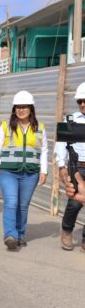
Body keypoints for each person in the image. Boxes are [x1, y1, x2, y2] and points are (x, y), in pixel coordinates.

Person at [0, 90, 47, 251]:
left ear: (31, 108)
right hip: (8, 172)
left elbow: (44, 150)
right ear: (14, 109)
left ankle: (20, 235)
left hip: (30, 173)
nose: (21, 110)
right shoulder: (6, 126)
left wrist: (44, 171)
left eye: (24, 106)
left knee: (23, 206)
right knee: (11, 202)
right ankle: (10, 235)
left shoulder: (40, 128)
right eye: (18, 107)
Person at [55, 82, 85, 251]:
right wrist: (61, 166)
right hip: (77, 166)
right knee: (74, 202)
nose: (83, 104)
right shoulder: (70, 120)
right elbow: (60, 145)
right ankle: (67, 231)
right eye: (80, 101)